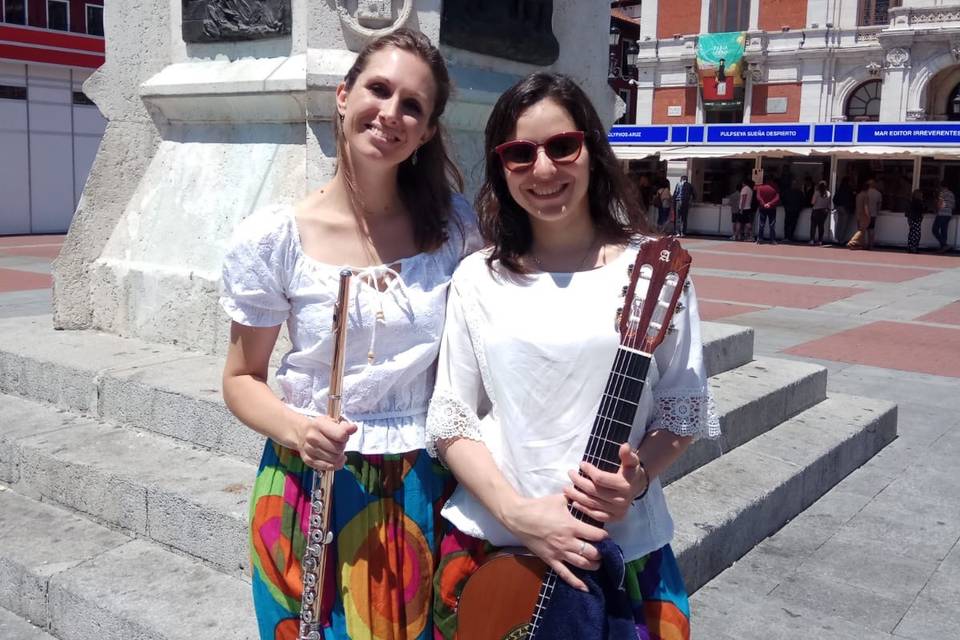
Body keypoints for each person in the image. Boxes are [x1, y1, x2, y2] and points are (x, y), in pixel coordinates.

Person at [425, 72, 719, 640]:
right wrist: (516, 513)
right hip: (494, 547)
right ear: (499, 166)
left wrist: (634, 482)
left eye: (563, 146)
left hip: (622, 550)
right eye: (519, 153)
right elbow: (452, 417)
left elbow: (682, 406)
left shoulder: (652, 271)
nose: (543, 170)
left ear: (592, 149)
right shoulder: (476, 278)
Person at [219, 29, 480, 640]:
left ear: (427, 131)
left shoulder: (456, 229)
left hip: (421, 479)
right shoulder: (273, 239)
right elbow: (241, 378)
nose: (391, 113)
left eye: (413, 105)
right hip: (308, 479)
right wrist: (299, 429)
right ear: (343, 95)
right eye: (379, 89)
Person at [755, 175, 781, 244]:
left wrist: (764, 204)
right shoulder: (775, 187)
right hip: (772, 208)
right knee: (772, 224)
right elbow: (777, 198)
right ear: (772, 180)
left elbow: (758, 197)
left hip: (762, 208)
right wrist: (770, 203)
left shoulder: (760, 187)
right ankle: (772, 240)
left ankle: (760, 239)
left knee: (761, 224)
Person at [780, 178, 805, 243]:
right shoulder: (799, 192)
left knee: (788, 224)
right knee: (792, 224)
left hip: (789, 210)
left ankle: (787, 237)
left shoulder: (787, 191)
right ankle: (790, 237)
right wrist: (799, 209)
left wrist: (785, 207)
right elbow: (803, 202)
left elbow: (782, 200)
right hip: (795, 210)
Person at [849, 181, 871, 250]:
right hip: (863, 215)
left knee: (861, 230)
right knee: (861, 230)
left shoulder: (858, 195)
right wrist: (868, 215)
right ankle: (853, 241)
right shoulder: (866, 195)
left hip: (858, 214)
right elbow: (866, 206)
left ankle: (861, 244)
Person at [933, 181, 955, 253]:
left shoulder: (942, 193)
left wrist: (936, 210)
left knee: (935, 230)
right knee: (944, 231)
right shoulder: (952, 194)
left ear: (941, 186)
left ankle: (944, 245)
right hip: (949, 214)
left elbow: (940, 204)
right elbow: (953, 206)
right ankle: (943, 248)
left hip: (942, 214)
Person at [833, 176, 855, 245]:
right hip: (845, 208)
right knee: (844, 225)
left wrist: (836, 205)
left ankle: (836, 238)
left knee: (839, 223)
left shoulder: (840, 189)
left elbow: (834, 199)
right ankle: (841, 240)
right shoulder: (849, 189)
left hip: (839, 207)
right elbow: (851, 199)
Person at [810, 180, 832, 246]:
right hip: (824, 211)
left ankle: (812, 240)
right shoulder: (828, 193)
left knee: (813, 226)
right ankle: (820, 240)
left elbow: (812, 202)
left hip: (816, 210)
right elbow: (829, 203)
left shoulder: (817, 193)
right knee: (821, 226)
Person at [866, 178, 882, 249]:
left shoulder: (865, 192)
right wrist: (877, 211)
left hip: (865, 214)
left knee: (863, 229)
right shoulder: (878, 193)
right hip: (873, 214)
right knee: (871, 229)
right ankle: (871, 245)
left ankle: (865, 243)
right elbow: (879, 205)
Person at [907, 189, 924, 254]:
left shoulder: (911, 201)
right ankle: (914, 248)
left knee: (911, 233)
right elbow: (921, 212)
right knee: (917, 234)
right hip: (916, 219)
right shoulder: (919, 202)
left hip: (911, 219)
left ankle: (910, 247)